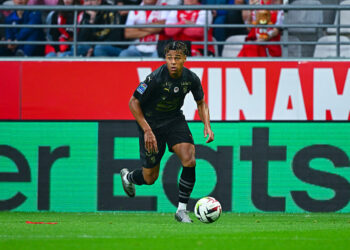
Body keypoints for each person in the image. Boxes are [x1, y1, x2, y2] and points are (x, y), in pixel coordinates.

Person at [120, 41, 214, 223]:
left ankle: (181, 210)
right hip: (151, 125)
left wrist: (207, 125)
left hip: (174, 120)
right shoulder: (155, 78)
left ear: (185, 59)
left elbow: (200, 102)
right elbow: (133, 102)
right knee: (150, 177)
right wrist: (147, 130)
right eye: (169, 58)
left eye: (177, 58)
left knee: (189, 158)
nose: (172, 62)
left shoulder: (191, 78)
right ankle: (129, 177)